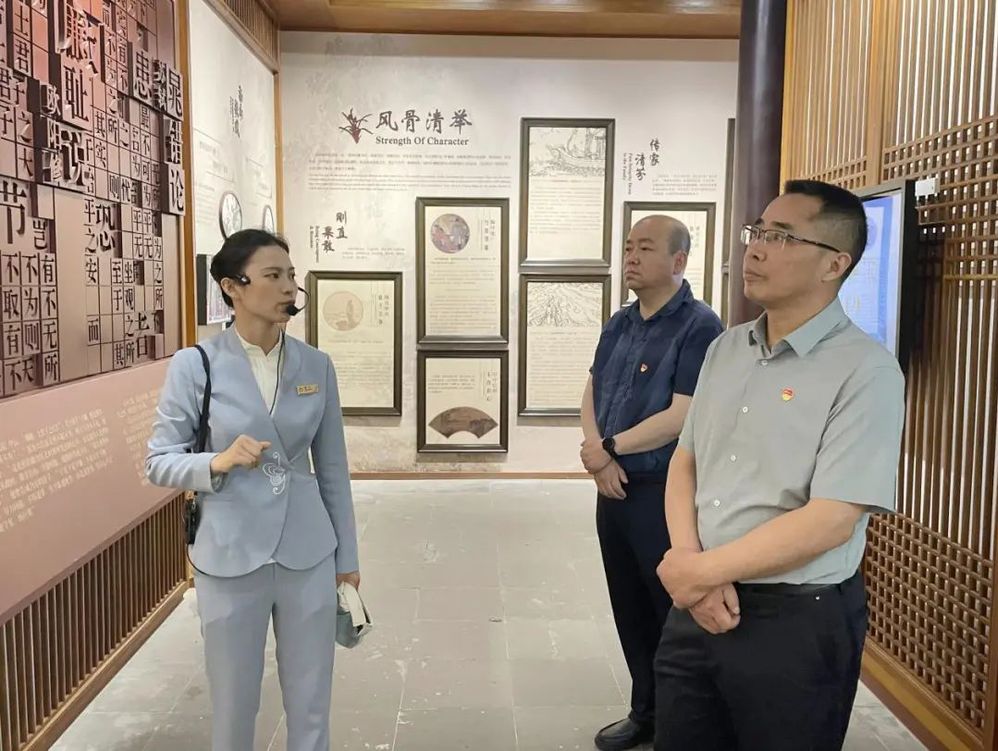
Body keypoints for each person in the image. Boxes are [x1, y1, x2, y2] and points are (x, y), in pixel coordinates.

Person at [654, 180, 905, 751]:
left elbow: (831, 519)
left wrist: (700, 572)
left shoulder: (866, 372)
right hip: (698, 598)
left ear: (834, 264)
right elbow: (686, 461)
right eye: (758, 232)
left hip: (795, 619)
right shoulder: (726, 347)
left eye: (782, 237)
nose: (757, 249)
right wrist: (692, 565)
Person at [146, 229, 360, 751]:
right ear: (232, 287)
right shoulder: (196, 364)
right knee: (234, 704)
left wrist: (347, 560)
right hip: (229, 555)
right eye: (272, 275)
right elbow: (158, 462)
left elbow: (333, 469)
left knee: (311, 702)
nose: (288, 287)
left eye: (291, 276)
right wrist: (216, 461)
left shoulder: (316, 365)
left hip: (308, 552)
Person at [581, 215, 723, 750]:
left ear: (678, 261)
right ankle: (645, 710)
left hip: (662, 494)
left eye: (645, 248)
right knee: (629, 606)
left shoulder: (699, 326)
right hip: (613, 488)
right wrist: (598, 456)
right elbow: (592, 390)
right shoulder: (620, 322)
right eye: (628, 247)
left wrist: (611, 449)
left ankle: (681, 721)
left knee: (670, 611)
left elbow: (683, 413)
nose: (631, 257)